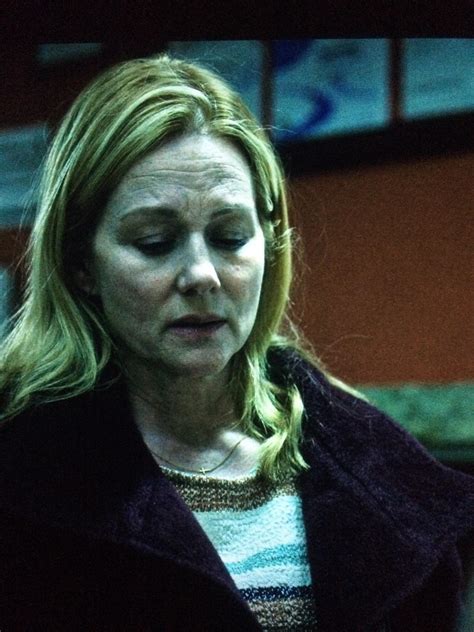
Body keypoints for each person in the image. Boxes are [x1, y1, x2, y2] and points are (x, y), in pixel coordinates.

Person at [0, 54, 472, 632]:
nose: (202, 274)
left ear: (269, 245)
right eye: (154, 242)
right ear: (81, 266)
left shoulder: (367, 465)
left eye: (229, 237)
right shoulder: (24, 474)